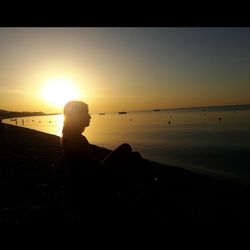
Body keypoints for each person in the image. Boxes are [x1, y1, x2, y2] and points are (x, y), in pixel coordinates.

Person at [60, 101, 145, 222]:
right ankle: (145, 194)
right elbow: (96, 170)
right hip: (94, 186)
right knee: (132, 154)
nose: (90, 116)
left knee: (128, 151)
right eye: (86, 113)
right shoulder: (78, 139)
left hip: (86, 184)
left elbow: (77, 164)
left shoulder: (67, 136)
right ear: (77, 117)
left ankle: (139, 192)